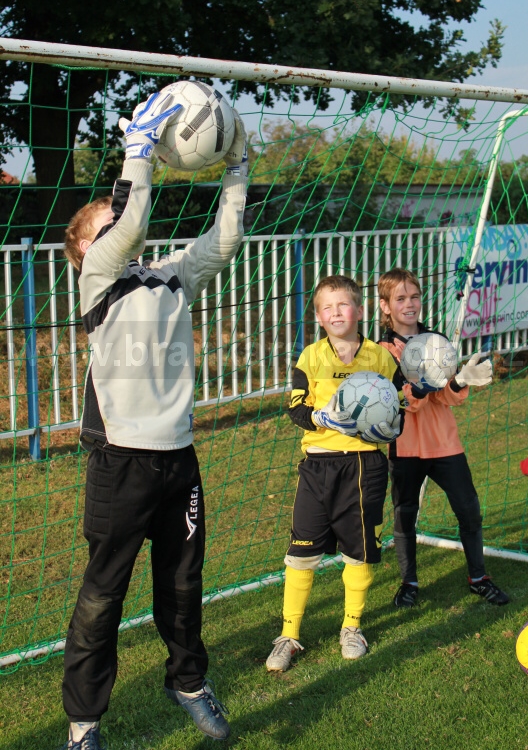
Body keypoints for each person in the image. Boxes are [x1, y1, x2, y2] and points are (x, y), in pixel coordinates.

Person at [61, 89, 249, 749]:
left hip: (179, 457)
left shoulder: (170, 279)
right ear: (86, 250)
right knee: (102, 597)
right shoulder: (98, 283)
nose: (114, 221)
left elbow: (223, 241)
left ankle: (188, 680)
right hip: (120, 464)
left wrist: (237, 166)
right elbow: (133, 218)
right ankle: (84, 722)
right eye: (100, 222)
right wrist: (135, 154)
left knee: (182, 582)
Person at [265, 275, 404, 672]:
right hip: (318, 467)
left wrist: (388, 425)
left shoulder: (380, 357)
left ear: (359, 311)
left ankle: (352, 627)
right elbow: (294, 409)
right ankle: (289, 634)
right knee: (300, 552)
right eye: (328, 308)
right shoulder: (310, 357)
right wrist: (321, 417)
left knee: (357, 551)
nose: (336, 312)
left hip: (364, 465)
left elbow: (400, 412)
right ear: (319, 318)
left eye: (343, 305)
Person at [377, 267, 509, 609]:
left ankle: (479, 577)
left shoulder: (435, 341)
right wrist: (421, 385)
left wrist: (462, 379)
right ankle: (409, 583)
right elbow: (403, 401)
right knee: (404, 513)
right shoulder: (380, 351)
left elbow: (444, 398)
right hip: (404, 446)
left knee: (469, 509)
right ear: (385, 306)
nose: (410, 304)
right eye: (400, 298)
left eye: (415, 296)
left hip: (444, 442)